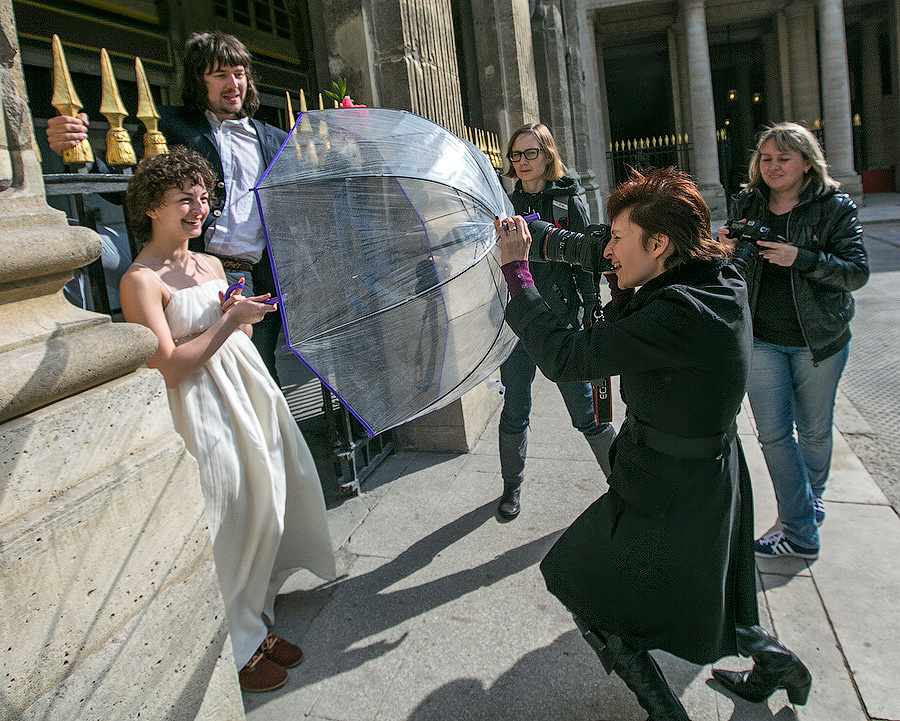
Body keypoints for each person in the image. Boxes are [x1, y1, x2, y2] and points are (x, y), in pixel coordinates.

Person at [495, 167, 811, 719]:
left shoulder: (675, 312)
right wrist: (608, 267)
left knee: (576, 580)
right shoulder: (717, 279)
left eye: (618, 238)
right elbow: (634, 289)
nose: (608, 247)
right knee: (708, 592)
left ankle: (666, 712)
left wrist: (519, 273)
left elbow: (568, 356)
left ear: (659, 243)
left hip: (671, 484)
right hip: (706, 470)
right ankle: (777, 665)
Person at [119, 147, 336, 693]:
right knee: (233, 511)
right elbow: (168, 366)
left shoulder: (211, 264)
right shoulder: (141, 280)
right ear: (151, 206)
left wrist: (242, 317)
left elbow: (233, 337)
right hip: (202, 405)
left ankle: (255, 621)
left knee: (271, 498)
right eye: (182, 199)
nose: (198, 207)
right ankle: (234, 647)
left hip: (249, 391)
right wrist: (229, 322)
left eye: (203, 196)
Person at [46, 31, 287, 382]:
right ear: (197, 81)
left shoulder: (276, 139)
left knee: (257, 371)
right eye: (220, 75)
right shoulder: (166, 126)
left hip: (250, 274)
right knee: (190, 373)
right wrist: (76, 151)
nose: (233, 83)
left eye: (239, 73)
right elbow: (130, 187)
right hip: (183, 271)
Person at [721, 122, 868, 560]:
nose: (773, 166)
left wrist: (798, 258)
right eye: (766, 158)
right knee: (774, 436)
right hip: (763, 338)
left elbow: (856, 271)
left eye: (784, 158)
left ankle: (809, 501)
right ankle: (801, 531)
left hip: (818, 339)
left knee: (816, 430)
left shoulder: (834, 206)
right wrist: (725, 248)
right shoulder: (748, 201)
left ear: (806, 162)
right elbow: (735, 269)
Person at [495, 123, 615, 520]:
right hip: (517, 321)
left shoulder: (568, 202)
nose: (523, 161)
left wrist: (589, 308)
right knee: (515, 405)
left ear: (548, 155)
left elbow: (587, 261)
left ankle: (624, 484)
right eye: (516, 154)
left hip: (560, 319)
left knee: (586, 412)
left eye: (531, 153)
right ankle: (512, 486)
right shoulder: (504, 202)